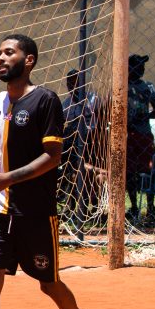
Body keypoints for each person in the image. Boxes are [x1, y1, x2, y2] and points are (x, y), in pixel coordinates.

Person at [0, 34, 92, 309]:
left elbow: (52, 158)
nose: (0, 58)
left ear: (29, 61)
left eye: (9, 52)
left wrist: (7, 178)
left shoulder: (45, 101)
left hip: (36, 211)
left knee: (48, 284)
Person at [61, 68, 103, 227]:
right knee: (76, 174)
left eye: (77, 82)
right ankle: (74, 209)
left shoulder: (93, 101)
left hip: (93, 151)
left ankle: (94, 209)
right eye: (70, 82)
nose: (73, 86)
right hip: (72, 155)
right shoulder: (65, 105)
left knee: (95, 175)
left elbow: (99, 126)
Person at [125, 54, 155, 220]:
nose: (142, 69)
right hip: (128, 134)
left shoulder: (148, 86)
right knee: (129, 172)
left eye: (142, 66)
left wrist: (143, 116)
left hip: (144, 133)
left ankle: (150, 206)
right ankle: (133, 206)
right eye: (138, 66)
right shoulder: (122, 86)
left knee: (149, 169)